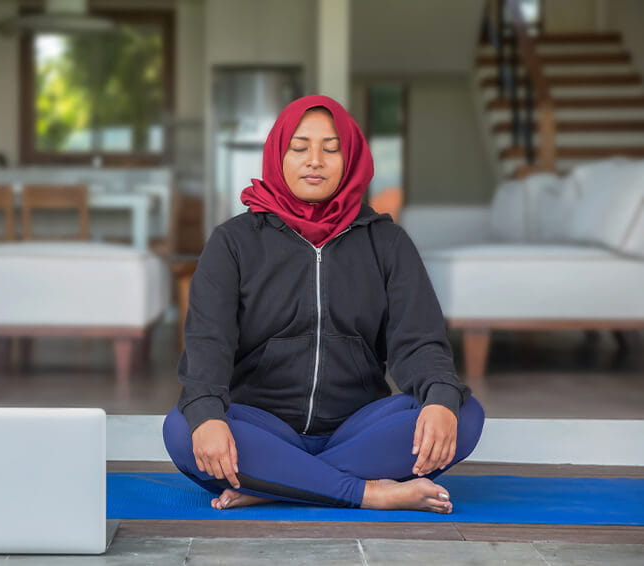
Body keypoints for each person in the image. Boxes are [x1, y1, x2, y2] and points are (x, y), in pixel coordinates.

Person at [163, 95, 484, 513]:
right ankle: (365, 492)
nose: (314, 160)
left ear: (349, 159)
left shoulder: (386, 243)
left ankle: (278, 484)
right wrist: (206, 415)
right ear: (278, 154)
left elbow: (419, 341)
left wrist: (440, 397)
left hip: (357, 429)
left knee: (464, 414)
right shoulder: (234, 242)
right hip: (262, 428)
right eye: (299, 148)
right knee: (182, 428)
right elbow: (208, 343)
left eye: (330, 149)